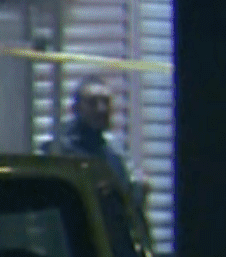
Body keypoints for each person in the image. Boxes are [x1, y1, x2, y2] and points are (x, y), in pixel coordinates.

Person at [42, 79, 148, 214]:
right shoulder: (58, 147)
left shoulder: (114, 149)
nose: (101, 109)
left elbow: (128, 189)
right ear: (76, 108)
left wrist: (139, 187)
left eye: (106, 102)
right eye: (93, 103)